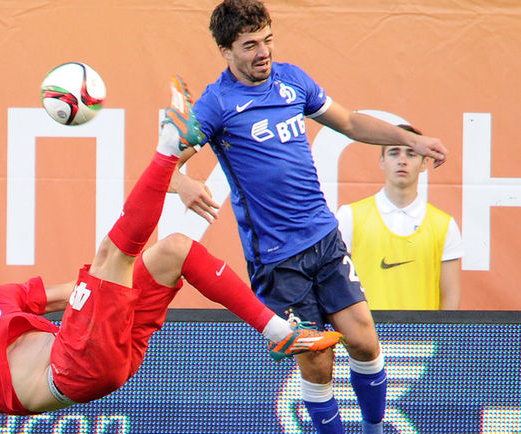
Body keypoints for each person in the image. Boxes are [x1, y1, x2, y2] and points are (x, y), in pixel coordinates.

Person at [0, 80, 343, 434]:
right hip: (71, 369)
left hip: (105, 353)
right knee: (112, 255)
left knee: (173, 250)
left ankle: (280, 332)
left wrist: (107, 283)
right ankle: (169, 148)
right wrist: (108, 273)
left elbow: (69, 293)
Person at [167, 1, 449, 433]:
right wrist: (184, 183)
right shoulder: (217, 104)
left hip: (324, 239)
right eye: (249, 46)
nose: (263, 52)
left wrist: (413, 139)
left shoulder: (292, 80)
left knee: (365, 342)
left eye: (268, 40)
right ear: (226, 51)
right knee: (318, 362)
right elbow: (163, 165)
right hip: (278, 261)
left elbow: (351, 123)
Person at [336, 124, 463, 310]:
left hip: (424, 338)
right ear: (382, 161)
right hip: (366, 337)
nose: (402, 160)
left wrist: (441, 338)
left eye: (411, 154)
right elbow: (335, 287)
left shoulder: (444, 225)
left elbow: (450, 299)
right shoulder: (350, 216)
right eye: (394, 153)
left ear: (424, 164)